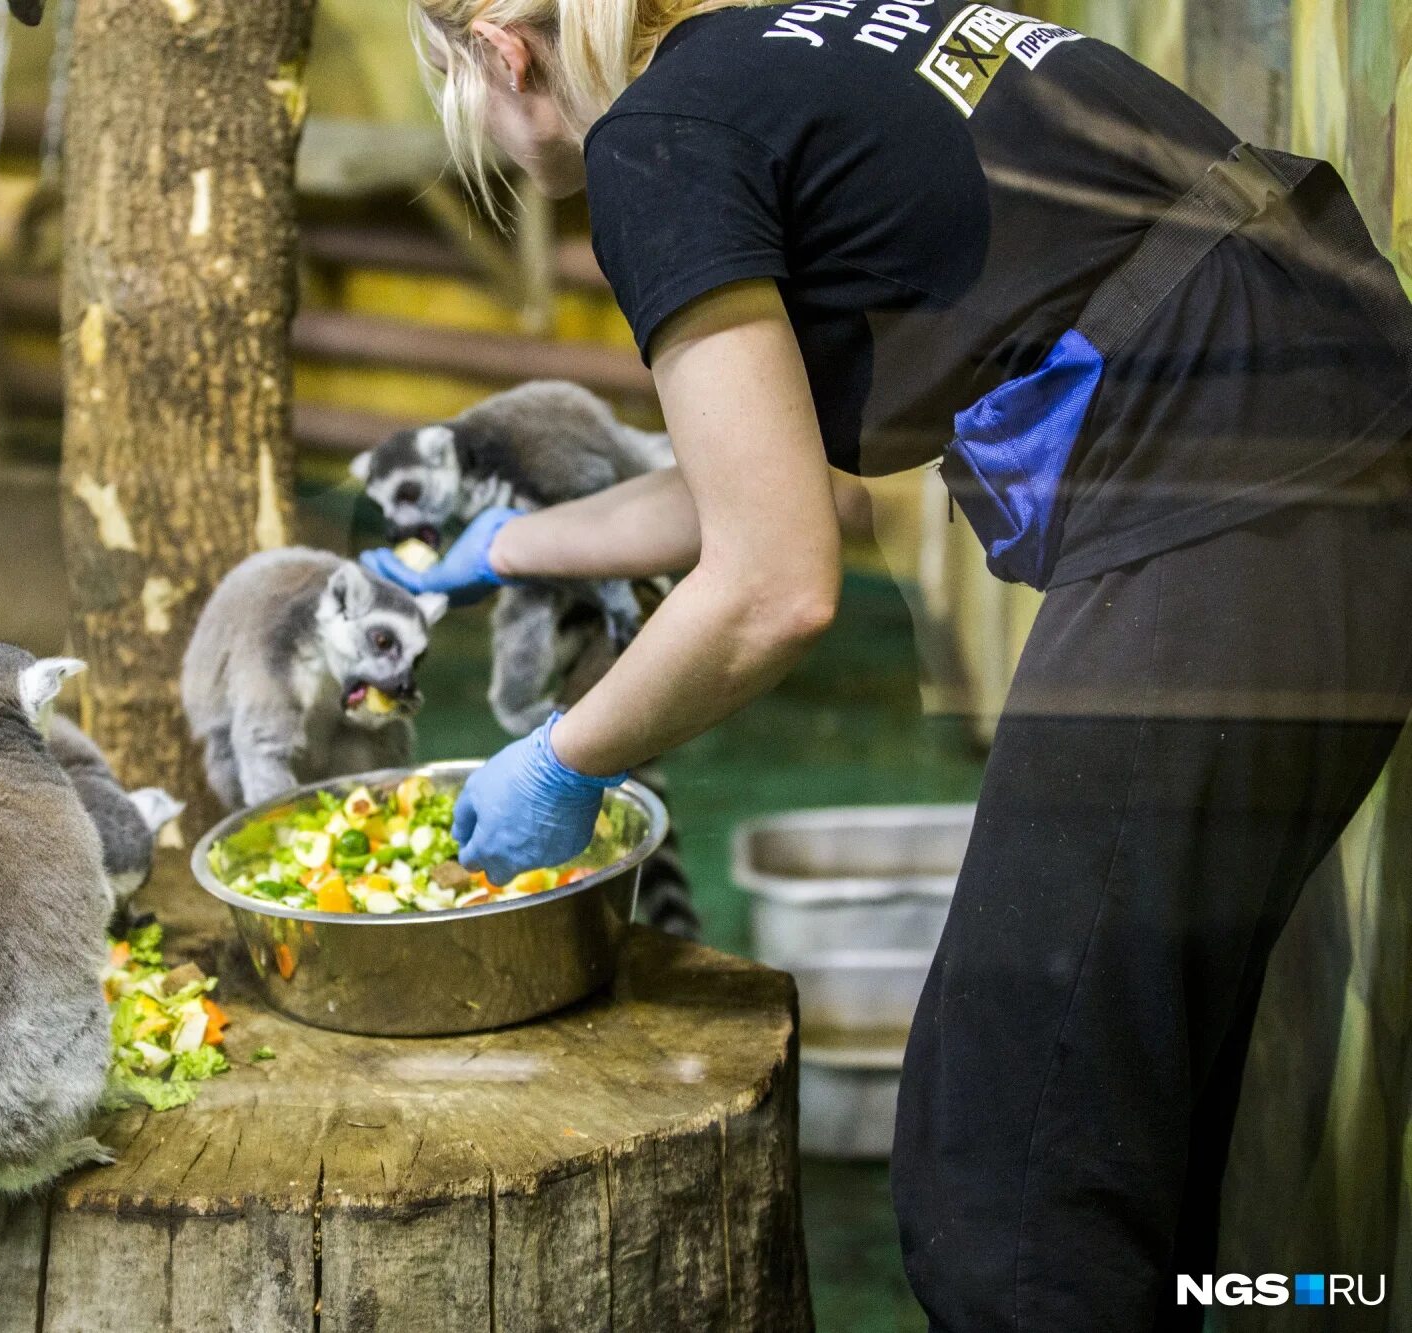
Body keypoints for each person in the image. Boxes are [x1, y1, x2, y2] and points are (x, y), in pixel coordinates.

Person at [360, 2, 1412, 1328]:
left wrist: (561, 760)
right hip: (1329, 429)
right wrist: (509, 545)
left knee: (1005, 1196)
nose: (497, 144)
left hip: (1240, 492)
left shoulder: (657, 145)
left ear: (505, 57)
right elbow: (744, 475)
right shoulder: (784, 52)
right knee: (1115, 1134)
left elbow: (775, 586)